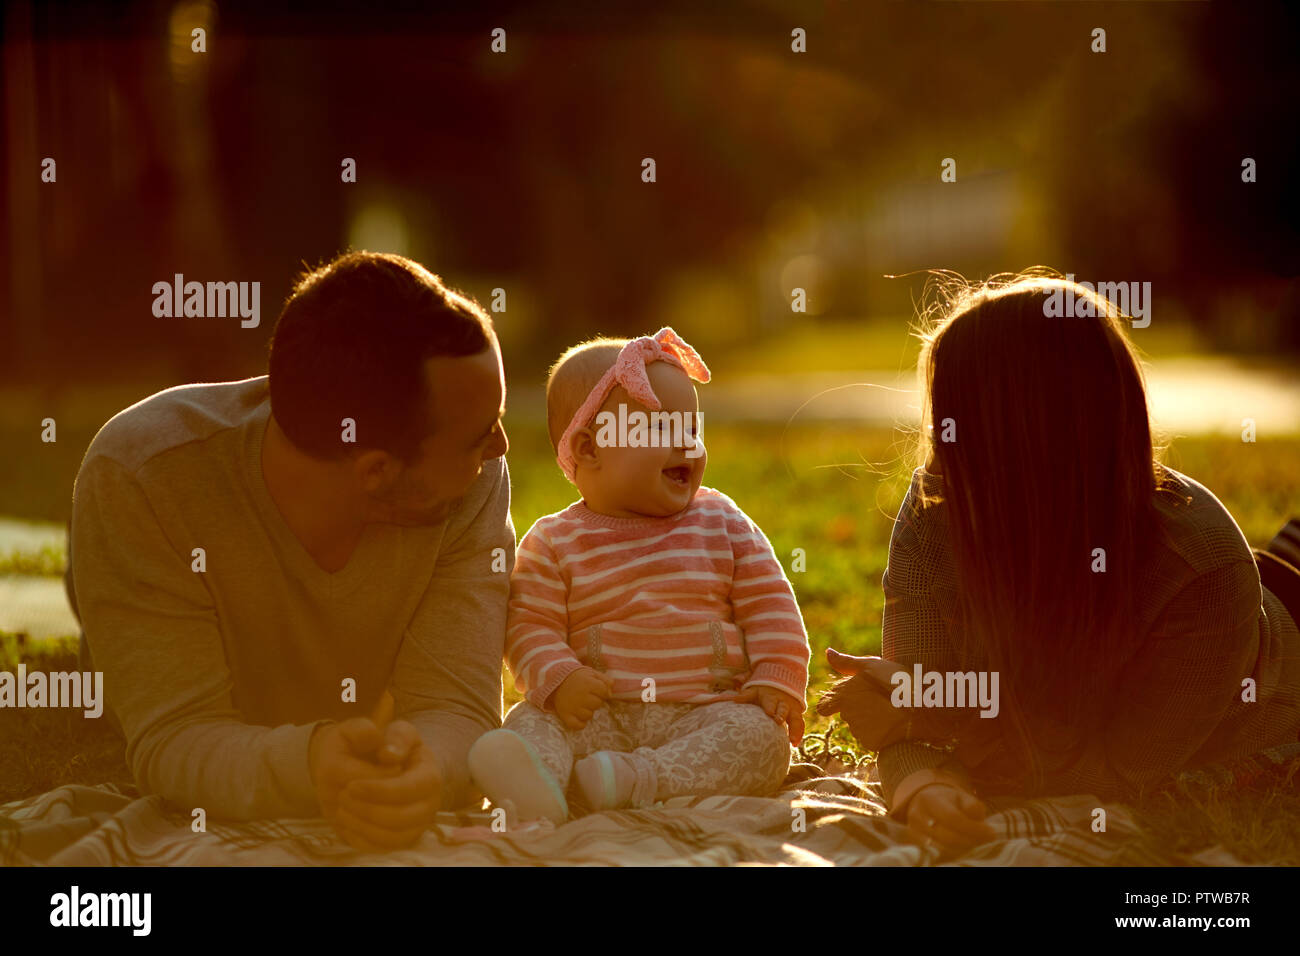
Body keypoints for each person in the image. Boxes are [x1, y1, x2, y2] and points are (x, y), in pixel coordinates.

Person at [818, 271, 1300, 857]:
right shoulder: (939, 510)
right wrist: (922, 788)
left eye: (955, 424)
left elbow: (1110, 780)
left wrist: (926, 711)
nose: (936, 449)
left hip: (1257, 656)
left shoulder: (1200, 569)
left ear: (1023, 440)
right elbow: (903, 708)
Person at [69, 252, 513, 851]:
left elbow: (457, 707)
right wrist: (309, 766)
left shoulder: (475, 480)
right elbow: (175, 735)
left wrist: (424, 773)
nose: (501, 445)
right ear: (377, 469)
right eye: (480, 434)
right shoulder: (143, 477)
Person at [468, 328, 809, 823]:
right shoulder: (554, 542)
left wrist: (776, 674)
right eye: (661, 430)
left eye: (692, 429)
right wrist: (561, 679)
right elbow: (527, 626)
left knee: (762, 741)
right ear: (588, 449)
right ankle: (535, 784)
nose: (687, 446)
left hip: (704, 711)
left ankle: (631, 779)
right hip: (595, 716)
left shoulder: (721, 521)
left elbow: (770, 602)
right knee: (533, 721)